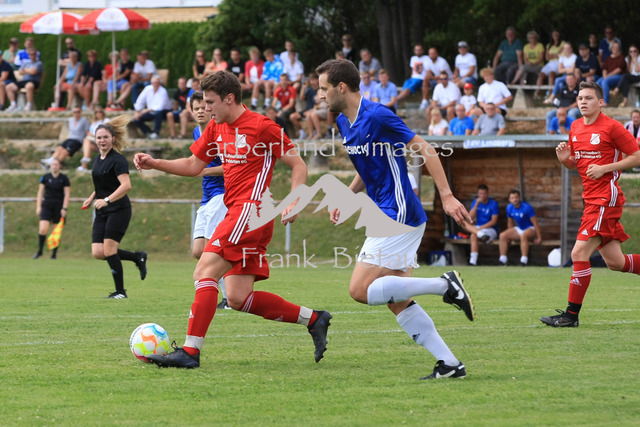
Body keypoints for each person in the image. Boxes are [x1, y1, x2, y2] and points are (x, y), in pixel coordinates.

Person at [133, 70, 332, 368]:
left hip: (250, 213)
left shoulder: (263, 126)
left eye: (210, 102)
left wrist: (295, 201)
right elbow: (193, 165)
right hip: (239, 213)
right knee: (238, 297)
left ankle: (190, 351)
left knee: (204, 272)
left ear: (229, 99)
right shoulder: (217, 126)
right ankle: (314, 319)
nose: (206, 108)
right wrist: (155, 163)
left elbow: (298, 164)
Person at [316, 59, 475, 380]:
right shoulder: (344, 122)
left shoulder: (377, 115)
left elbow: (426, 149)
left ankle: (444, 285)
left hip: (397, 212)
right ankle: (449, 364)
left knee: (360, 289)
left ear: (341, 88)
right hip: (388, 211)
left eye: (323, 88)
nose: (320, 95)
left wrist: (446, 196)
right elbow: (366, 168)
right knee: (397, 299)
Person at [540, 81, 640, 327]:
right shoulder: (575, 126)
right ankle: (570, 316)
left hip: (606, 198)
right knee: (616, 262)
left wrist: (606, 168)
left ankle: (570, 316)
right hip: (591, 199)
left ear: (601, 102)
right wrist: (565, 160)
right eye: (580, 98)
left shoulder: (612, 127)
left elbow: (637, 156)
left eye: (589, 98)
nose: (583, 102)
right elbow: (578, 163)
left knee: (578, 253)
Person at [82, 116, 148, 299]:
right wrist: (92, 198)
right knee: (98, 252)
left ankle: (120, 292)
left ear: (113, 139)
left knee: (109, 250)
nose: (102, 140)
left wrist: (107, 200)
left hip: (119, 209)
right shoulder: (98, 159)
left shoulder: (118, 160)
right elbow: (103, 184)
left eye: (105, 137)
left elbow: (126, 185)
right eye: (99, 137)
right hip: (102, 210)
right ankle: (137, 257)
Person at [188, 91, 230, 309]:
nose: (200, 112)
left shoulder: (219, 133)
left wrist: (203, 171)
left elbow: (230, 166)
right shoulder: (197, 132)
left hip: (221, 195)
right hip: (206, 197)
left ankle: (228, 297)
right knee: (198, 251)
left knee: (211, 250)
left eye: (203, 107)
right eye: (196, 108)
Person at [34, 158, 70, 260]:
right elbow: (40, 192)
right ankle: (40, 251)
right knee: (43, 229)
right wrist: (38, 206)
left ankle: (54, 254)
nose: (54, 166)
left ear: (59, 166)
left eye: (56, 164)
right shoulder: (45, 177)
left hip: (58, 207)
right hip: (47, 206)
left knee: (56, 231)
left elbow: (67, 194)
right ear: (50, 166)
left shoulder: (64, 178)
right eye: (53, 164)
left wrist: (64, 208)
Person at [498, 189, 541, 266]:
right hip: (520, 228)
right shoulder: (509, 208)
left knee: (523, 236)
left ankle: (524, 261)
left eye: (516, 197)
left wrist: (539, 237)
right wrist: (509, 237)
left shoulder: (527, 207)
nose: (515, 199)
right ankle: (502, 260)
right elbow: (510, 222)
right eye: (513, 198)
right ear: (509, 199)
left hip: (530, 228)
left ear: (519, 198)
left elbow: (535, 223)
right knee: (502, 235)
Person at [462, 184, 499, 266]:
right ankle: (473, 262)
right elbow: (469, 217)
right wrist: (476, 204)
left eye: (484, 193)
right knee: (463, 223)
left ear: (488, 193)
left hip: (490, 229)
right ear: (478, 194)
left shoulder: (493, 204)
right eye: (480, 193)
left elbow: (493, 222)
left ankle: (473, 260)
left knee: (473, 234)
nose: (482, 195)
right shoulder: (476, 202)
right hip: (479, 230)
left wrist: (479, 229)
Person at [131, 75, 172, 139]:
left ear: (160, 83)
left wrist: (147, 110)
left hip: (164, 112)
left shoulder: (163, 91)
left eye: (157, 83)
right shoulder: (148, 89)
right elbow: (140, 100)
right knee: (136, 119)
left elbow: (160, 107)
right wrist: (138, 111)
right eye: (154, 83)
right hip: (151, 112)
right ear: (151, 83)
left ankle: (156, 132)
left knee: (158, 113)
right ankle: (149, 132)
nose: (156, 84)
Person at [78, 108, 110, 172]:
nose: (98, 113)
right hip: (95, 141)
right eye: (96, 112)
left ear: (102, 113)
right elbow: (90, 132)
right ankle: (85, 161)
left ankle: (84, 164)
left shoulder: (107, 121)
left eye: (100, 112)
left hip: (103, 141)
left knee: (86, 141)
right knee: (87, 142)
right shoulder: (94, 123)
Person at [596, 41, 626, 105]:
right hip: (608, 76)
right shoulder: (608, 58)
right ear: (611, 48)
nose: (615, 49)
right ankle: (597, 101)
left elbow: (619, 69)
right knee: (597, 83)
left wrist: (608, 75)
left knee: (604, 82)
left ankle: (605, 102)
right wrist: (605, 75)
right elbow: (604, 69)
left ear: (619, 48)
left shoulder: (621, 57)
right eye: (614, 47)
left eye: (617, 47)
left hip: (618, 76)